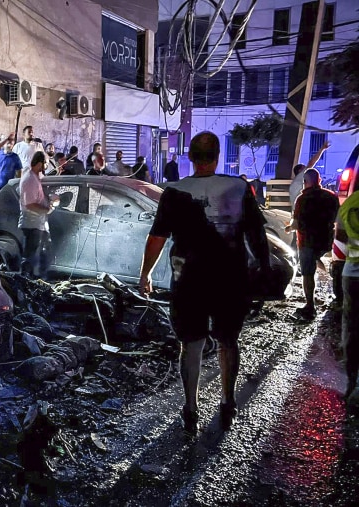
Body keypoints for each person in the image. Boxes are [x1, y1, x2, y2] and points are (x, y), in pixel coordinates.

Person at [138, 131, 271, 435]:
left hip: (188, 281)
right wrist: (262, 269)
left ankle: (190, 407)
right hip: (230, 281)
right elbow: (256, 235)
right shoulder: (239, 188)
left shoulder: (173, 191)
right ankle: (227, 401)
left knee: (191, 345)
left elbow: (156, 237)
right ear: (218, 156)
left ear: (190, 157)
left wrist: (145, 274)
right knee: (228, 342)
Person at [286, 168, 340, 319]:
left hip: (307, 241)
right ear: (320, 180)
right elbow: (337, 219)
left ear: (305, 182)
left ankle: (310, 306)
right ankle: (337, 296)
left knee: (308, 274)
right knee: (319, 261)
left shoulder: (302, 199)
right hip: (326, 240)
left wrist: (289, 228)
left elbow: (296, 224)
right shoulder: (331, 197)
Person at [19, 151, 59, 277]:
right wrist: (46, 210)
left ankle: (39, 277)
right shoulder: (30, 179)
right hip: (32, 224)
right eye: (45, 163)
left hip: (39, 224)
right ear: (40, 163)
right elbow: (29, 204)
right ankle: (26, 281)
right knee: (30, 258)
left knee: (42, 254)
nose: (46, 167)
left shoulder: (35, 177)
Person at [337, 190, 359, 399]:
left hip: (352, 273)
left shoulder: (350, 202)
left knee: (352, 326)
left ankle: (351, 382)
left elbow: (340, 236)